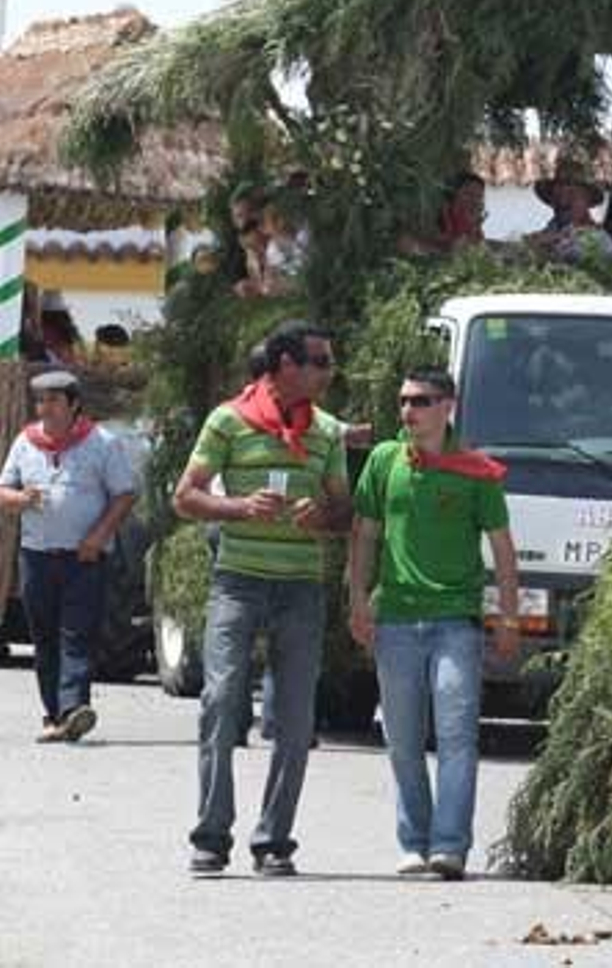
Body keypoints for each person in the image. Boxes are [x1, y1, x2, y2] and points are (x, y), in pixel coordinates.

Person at [172, 320, 352, 878]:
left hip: (301, 588)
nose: (329, 372)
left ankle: (274, 841)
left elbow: (344, 513)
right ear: (284, 365)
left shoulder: (327, 432)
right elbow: (185, 497)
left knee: (296, 722)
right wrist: (238, 508)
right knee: (221, 700)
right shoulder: (228, 421)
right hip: (238, 582)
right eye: (319, 362)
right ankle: (211, 835)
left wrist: (321, 516)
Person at [348, 369, 518, 880]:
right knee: (401, 738)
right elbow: (364, 535)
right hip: (395, 619)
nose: (408, 411)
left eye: (420, 401)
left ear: (448, 406)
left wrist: (507, 617)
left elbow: (504, 551)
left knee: (456, 736)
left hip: (455, 622)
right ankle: (412, 842)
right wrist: (358, 600)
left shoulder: (477, 472)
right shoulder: (383, 461)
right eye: (403, 401)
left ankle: (449, 847)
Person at [0, 371, 137, 743]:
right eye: (40, 401)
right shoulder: (25, 443)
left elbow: (124, 494)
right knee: (44, 637)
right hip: (36, 556)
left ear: (74, 404)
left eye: (53, 401)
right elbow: (3, 492)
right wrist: (21, 499)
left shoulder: (102, 443)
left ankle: (74, 707)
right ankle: (55, 714)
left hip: (85, 557)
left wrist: (99, 535)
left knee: (77, 633)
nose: (45, 409)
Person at [528, 158, 612, 261]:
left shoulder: (600, 240)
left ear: (586, 200)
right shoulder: (552, 228)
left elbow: (570, 255)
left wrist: (542, 243)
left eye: (572, 196)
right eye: (557, 196)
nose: (562, 202)